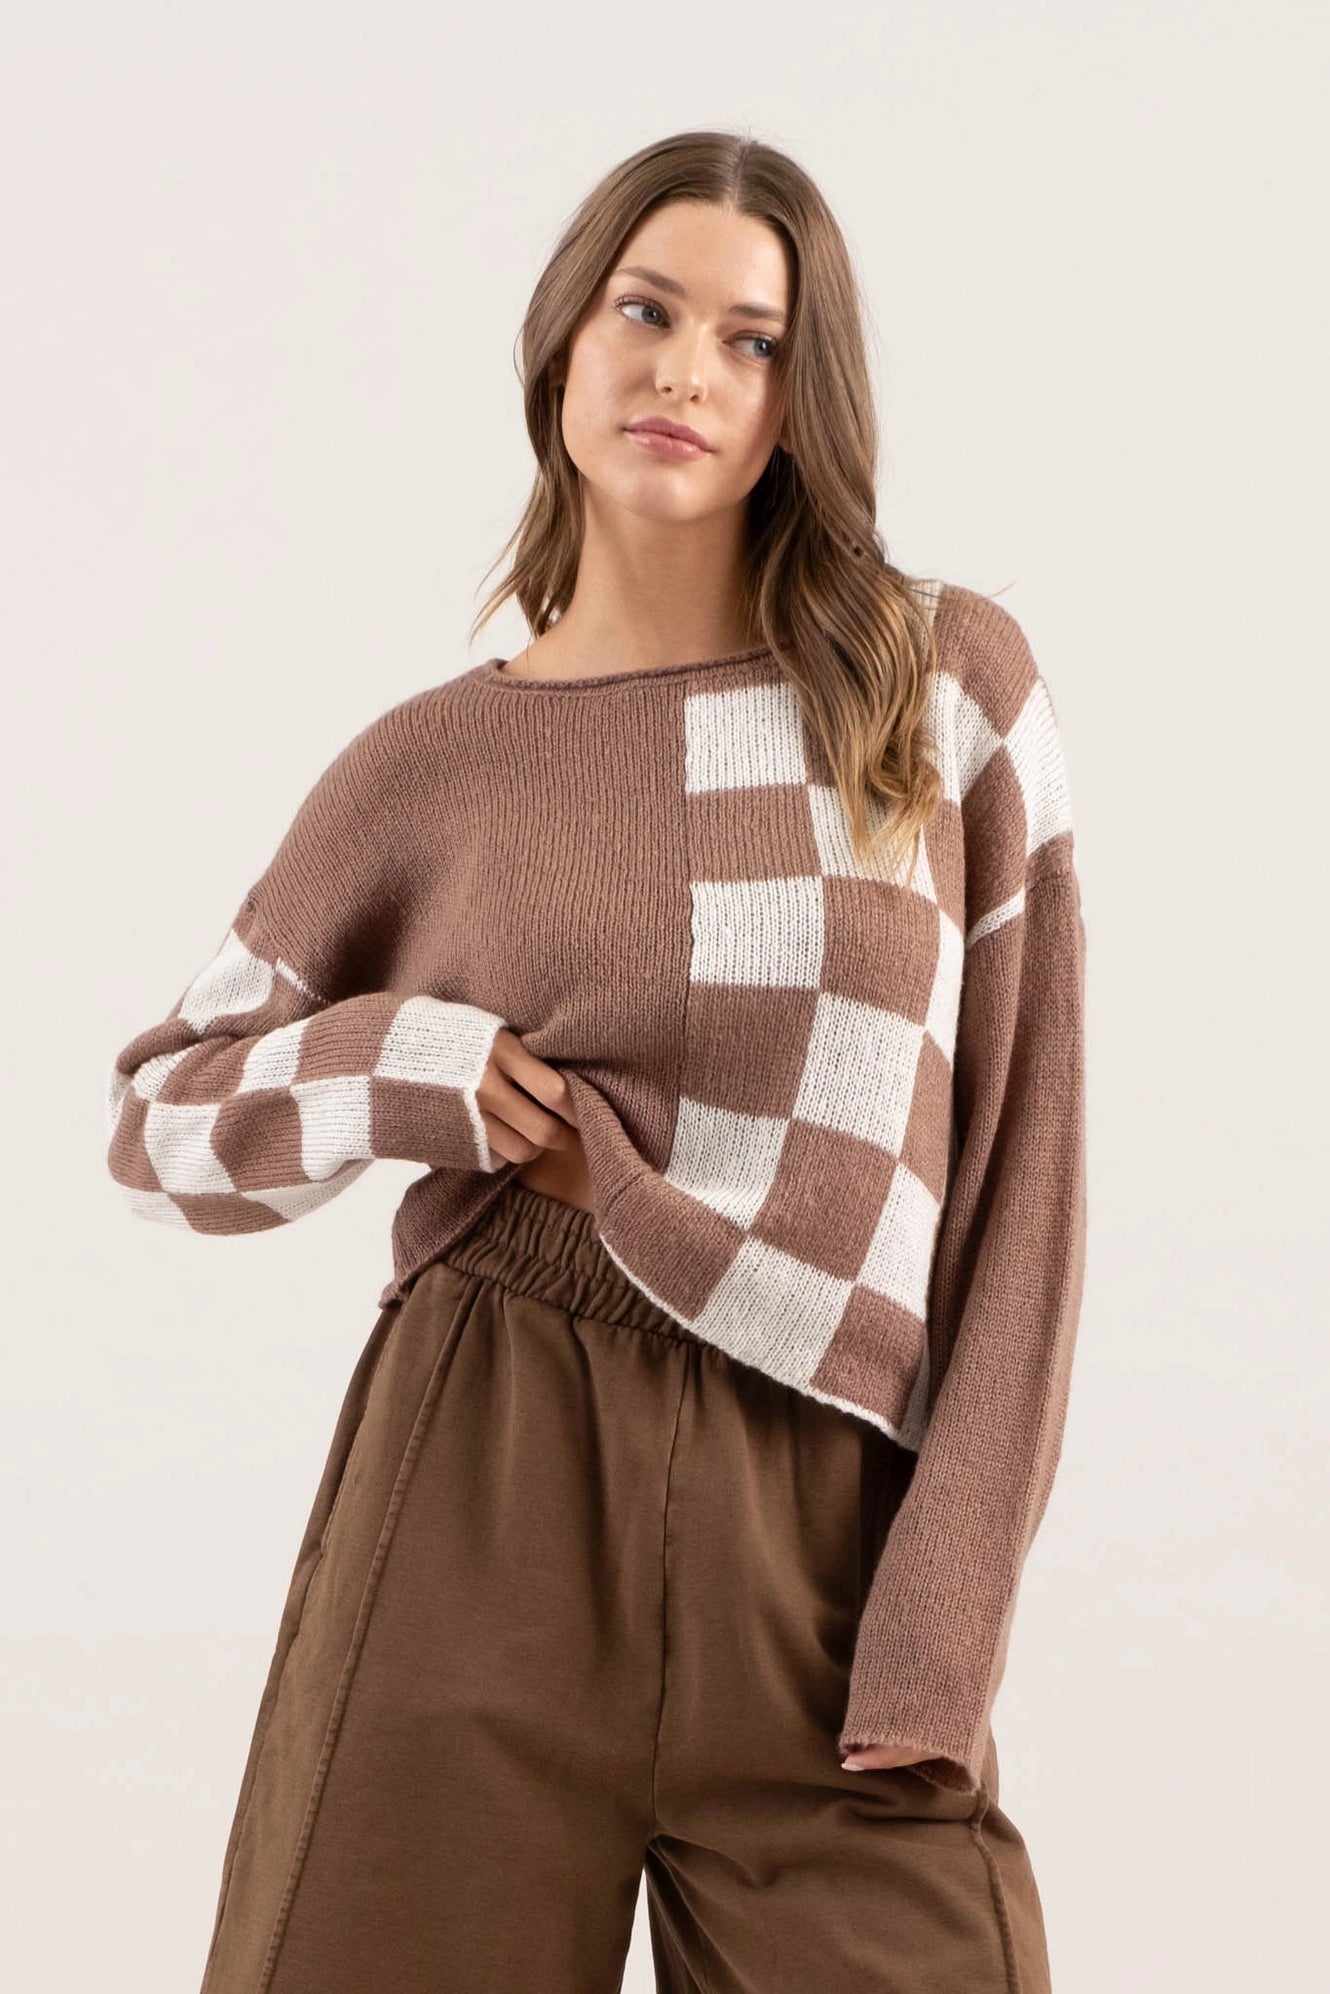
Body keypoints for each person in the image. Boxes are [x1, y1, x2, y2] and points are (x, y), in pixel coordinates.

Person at [106, 128, 1087, 1993]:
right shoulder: (432, 764)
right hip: (485, 1461)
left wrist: (942, 1623)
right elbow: (160, 1121)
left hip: (821, 1521)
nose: (686, 371)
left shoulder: (940, 687)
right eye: (645, 311)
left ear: (800, 398)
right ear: (563, 340)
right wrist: (408, 1063)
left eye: (750, 338)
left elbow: (1025, 1183)